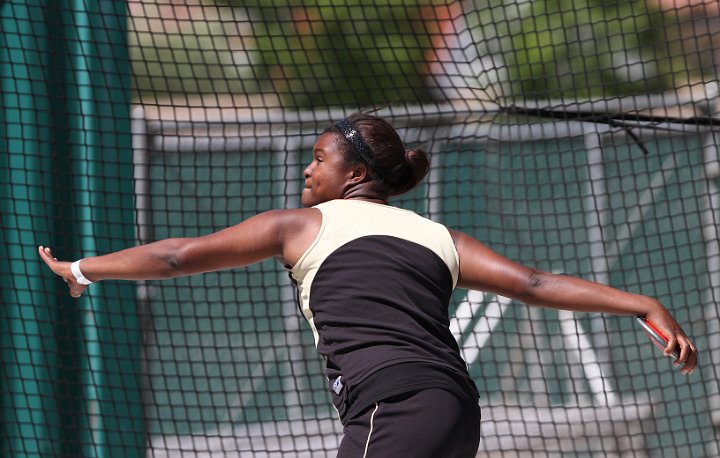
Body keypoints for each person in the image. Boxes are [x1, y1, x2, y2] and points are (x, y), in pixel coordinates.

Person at [39, 112, 698, 458]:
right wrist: (643, 303)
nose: (307, 165)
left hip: (399, 406)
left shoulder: (302, 224)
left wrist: (82, 269)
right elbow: (535, 281)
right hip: (453, 413)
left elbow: (178, 256)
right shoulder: (441, 235)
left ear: (353, 172)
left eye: (320, 157)